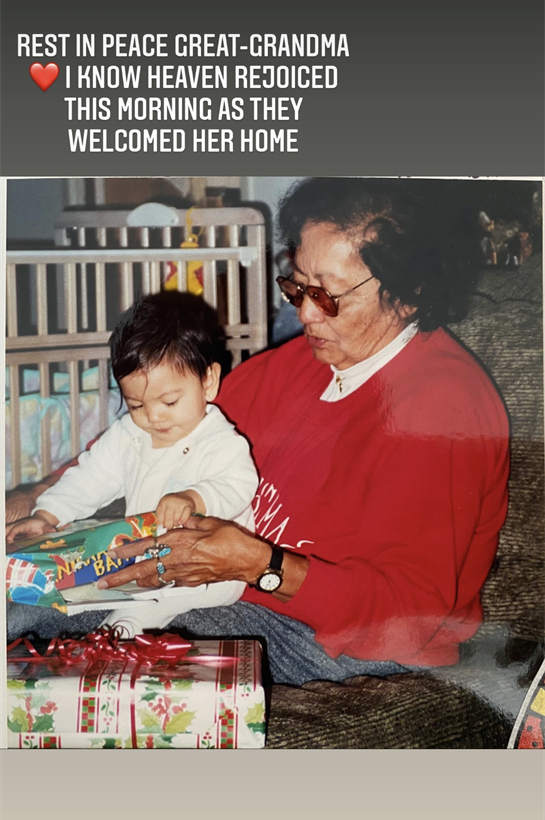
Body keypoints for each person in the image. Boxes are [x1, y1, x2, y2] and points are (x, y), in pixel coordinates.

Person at [7, 180, 510, 688]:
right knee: (23, 598)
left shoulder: (443, 407)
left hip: (340, 640)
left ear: (408, 293)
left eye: (328, 295)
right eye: (298, 286)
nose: (304, 313)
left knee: (46, 632)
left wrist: (258, 564)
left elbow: (411, 616)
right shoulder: (300, 364)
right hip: (233, 592)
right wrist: (36, 501)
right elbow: (156, 430)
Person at [6, 292, 258, 638]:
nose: (153, 416)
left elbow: (239, 484)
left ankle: (118, 637)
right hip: (143, 561)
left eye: (169, 402)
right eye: (137, 404)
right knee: (66, 593)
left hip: (208, 574)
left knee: (135, 614)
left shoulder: (220, 441)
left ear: (208, 382)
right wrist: (47, 515)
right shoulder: (129, 434)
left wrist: (195, 498)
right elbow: (89, 478)